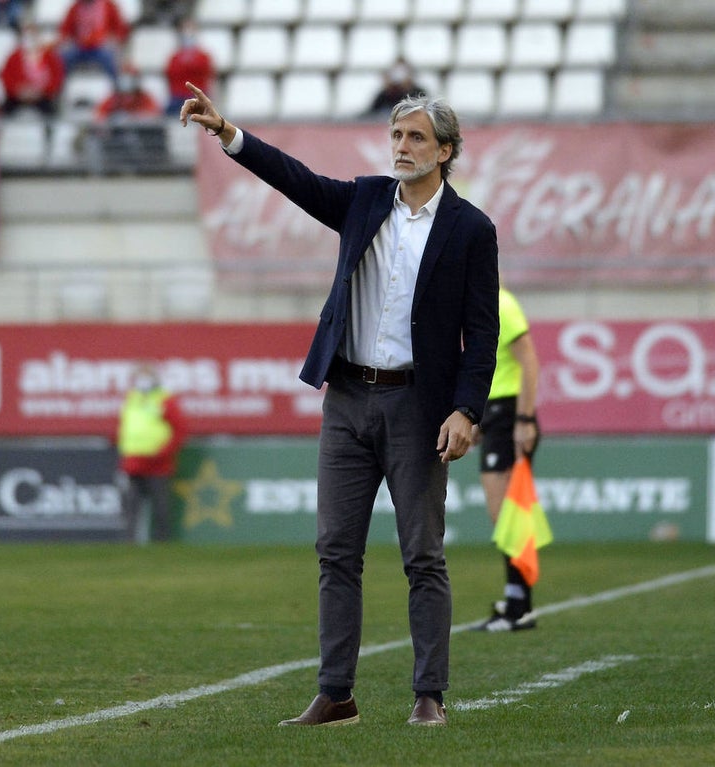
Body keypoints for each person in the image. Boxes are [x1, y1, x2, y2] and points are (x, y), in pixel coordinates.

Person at [179, 82, 499, 727]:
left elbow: (483, 331)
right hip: (348, 397)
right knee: (335, 551)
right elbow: (295, 180)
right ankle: (336, 694)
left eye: (415, 138)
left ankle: (429, 695)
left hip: (417, 407)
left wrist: (466, 409)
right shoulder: (364, 200)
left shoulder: (471, 228)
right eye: (397, 136)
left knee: (422, 556)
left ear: (445, 150)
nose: (402, 147)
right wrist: (227, 132)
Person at [474, 287, 542, 632]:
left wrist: (525, 419)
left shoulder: (501, 302)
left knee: (508, 516)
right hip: (494, 415)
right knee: (504, 517)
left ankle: (520, 606)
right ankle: (517, 601)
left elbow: (528, 359)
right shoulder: (479, 304)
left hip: (509, 415)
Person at [117, 362, 188, 543]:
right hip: (133, 462)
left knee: (160, 505)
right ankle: (129, 541)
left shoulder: (164, 399)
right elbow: (127, 427)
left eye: (146, 377)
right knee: (131, 505)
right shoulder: (132, 398)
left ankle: (162, 542)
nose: (142, 381)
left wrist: (165, 451)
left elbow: (180, 429)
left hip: (157, 462)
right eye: (139, 377)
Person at [0, 23, 66, 116]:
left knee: (51, 111)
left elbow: (57, 79)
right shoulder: (13, 57)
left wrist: (41, 92)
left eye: (33, 36)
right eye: (27, 36)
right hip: (17, 97)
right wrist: (18, 91)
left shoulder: (50, 58)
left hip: (43, 97)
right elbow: (5, 77)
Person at [58, 0, 129, 85]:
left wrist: (116, 40)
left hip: (100, 47)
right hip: (80, 47)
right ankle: (59, 89)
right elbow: (65, 30)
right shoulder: (75, 7)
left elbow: (120, 27)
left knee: (111, 60)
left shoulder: (108, 5)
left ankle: (116, 89)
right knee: (62, 60)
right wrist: (64, 41)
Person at [163, 18, 213, 117]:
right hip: (177, 98)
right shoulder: (175, 57)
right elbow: (170, 75)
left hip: (197, 97)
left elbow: (206, 75)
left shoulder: (203, 56)